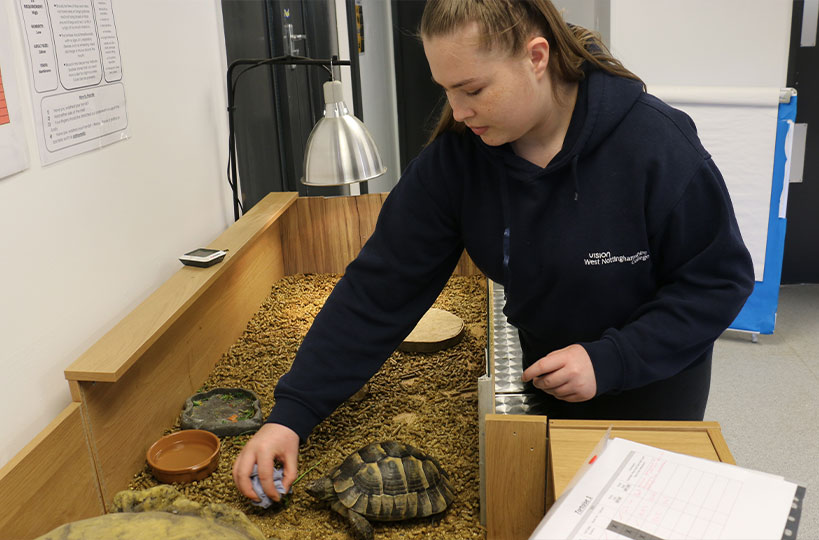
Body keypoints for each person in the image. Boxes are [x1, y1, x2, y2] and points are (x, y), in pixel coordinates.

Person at [233, 0, 755, 503]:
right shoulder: (457, 163)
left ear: (536, 57)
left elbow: (717, 281)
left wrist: (613, 358)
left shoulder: (654, 143)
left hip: (655, 385)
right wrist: (291, 414)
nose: (458, 113)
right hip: (548, 381)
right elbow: (378, 292)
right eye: (446, 91)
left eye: (473, 89)